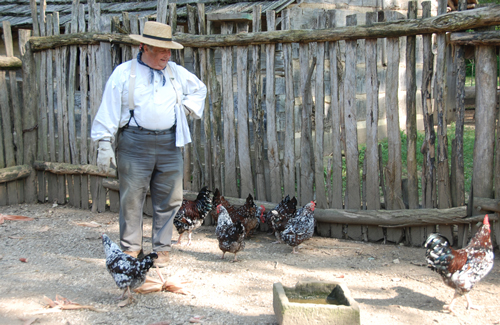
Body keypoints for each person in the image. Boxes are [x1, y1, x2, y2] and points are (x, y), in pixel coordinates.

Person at [91, 21, 207, 267]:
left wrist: (186, 109)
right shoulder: (124, 73)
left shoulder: (176, 72)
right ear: (144, 47)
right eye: (161, 50)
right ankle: (131, 249)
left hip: (169, 143)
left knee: (170, 198)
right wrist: (103, 141)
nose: (168, 54)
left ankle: (161, 249)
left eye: (169, 50)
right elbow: (108, 108)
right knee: (131, 198)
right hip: (134, 143)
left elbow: (200, 90)